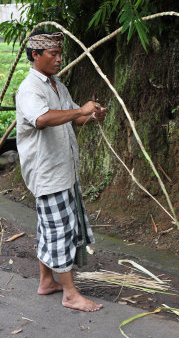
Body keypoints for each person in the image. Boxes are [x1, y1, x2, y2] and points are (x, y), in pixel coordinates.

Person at [16, 30, 107, 312]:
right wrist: (79, 109)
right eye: (52, 54)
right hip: (47, 172)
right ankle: (70, 293)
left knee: (49, 228)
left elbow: (74, 120)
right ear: (35, 55)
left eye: (59, 53)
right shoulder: (29, 89)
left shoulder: (57, 85)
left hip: (63, 169)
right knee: (60, 231)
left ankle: (46, 281)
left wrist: (91, 115)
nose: (58, 59)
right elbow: (42, 119)